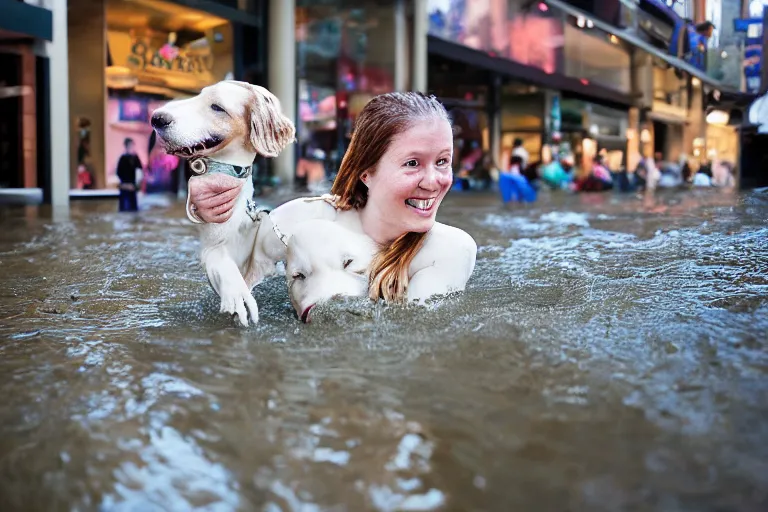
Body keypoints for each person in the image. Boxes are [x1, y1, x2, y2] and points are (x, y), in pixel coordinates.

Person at [188, 91, 477, 304]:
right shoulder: (300, 221)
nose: (434, 182)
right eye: (412, 164)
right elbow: (233, 286)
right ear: (367, 173)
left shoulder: (448, 250)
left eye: (442, 161)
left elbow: (413, 341)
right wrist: (212, 214)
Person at [116, 137, 143, 212]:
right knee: (124, 208)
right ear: (126, 146)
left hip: (133, 185)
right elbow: (119, 172)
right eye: (129, 145)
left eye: (132, 145)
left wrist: (137, 183)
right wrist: (125, 184)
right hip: (125, 185)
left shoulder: (135, 157)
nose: (131, 147)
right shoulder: (122, 158)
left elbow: (140, 170)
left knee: (133, 207)